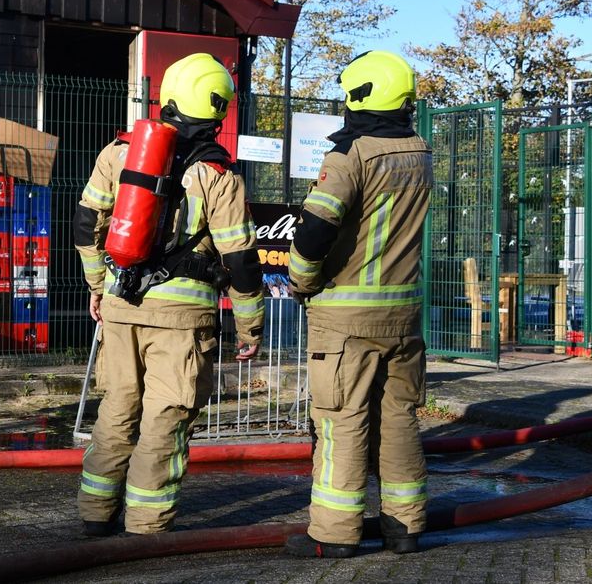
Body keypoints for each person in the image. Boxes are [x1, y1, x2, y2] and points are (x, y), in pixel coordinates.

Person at [72, 53, 265, 537]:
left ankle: (94, 516)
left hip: (121, 304)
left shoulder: (119, 151)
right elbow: (239, 259)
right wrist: (250, 327)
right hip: (182, 321)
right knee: (166, 417)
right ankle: (146, 525)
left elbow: (84, 225)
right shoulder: (219, 175)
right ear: (218, 110)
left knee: (117, 408)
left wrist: (99, 287)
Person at [284, 50, 433, 558]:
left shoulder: (351, 156)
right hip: (404, 316)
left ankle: (333, 535)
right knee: (399, 419)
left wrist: (301, 281)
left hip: (346, 320)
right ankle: (405, 528)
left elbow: (314, 232)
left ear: (359, 95)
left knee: (341, 421)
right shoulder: (420, 152)